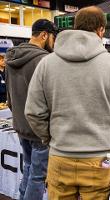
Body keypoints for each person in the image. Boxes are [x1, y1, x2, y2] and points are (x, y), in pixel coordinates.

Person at [24, 6, 110, 199]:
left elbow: (33, 112)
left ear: (76, 26)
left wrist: (51, 138)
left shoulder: (46, 64)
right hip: (100, 161)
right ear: (101, 30)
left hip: (60, 158)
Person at [5, 19, 57, 200]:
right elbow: (51, 99)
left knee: (28, 168)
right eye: (53, 37)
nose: (54, 42)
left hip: (21, 126)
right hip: (39, 131)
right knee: (37, 177)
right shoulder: (45, 60)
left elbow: (9, 97)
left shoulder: (10, 57)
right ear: (44, 35)